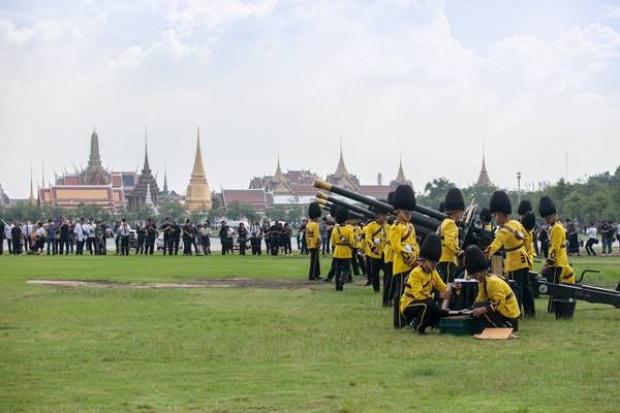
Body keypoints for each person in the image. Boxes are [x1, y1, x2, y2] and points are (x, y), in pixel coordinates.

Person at [484, 190, 535, 318]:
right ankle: (530, 311)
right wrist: (527, 251)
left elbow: (495, 245)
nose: (495, 218)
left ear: (501, 214)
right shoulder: (517, 224)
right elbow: (527, 237)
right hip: (524, 257)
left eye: (496, 215)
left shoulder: (504, 230)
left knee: (515, 287)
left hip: (514, 261)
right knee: (525, 286)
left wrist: (485, 254)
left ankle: (516, 312)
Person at [400, 234, 452, 335]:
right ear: (423, 261)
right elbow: (418, 295)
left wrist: (453, 289)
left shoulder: (433, 272)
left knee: (440, 312)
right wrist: (437, 296)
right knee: (428, 304)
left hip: (424, 302)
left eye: (436, 264)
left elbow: (442, 287)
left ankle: (420, 323)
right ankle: (418, 327)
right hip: (409, 304)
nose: (434, 266)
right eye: (433, 263)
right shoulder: (416, 273)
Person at [465, 245, 521, 330]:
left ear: (480, 273)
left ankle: (502, 326)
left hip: (509, 314)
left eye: (474, 275)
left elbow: (499, 302)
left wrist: (482, 309)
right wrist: (473, 308)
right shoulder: (483, 281)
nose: (474, 278)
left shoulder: (493, 282)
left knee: (483, 312)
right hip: (503, 310)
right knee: (478, 307)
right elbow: (481, 297)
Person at [389, 185, 419, 328]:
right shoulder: (395, 227)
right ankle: (399, 322)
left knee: (410, 294)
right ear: (398, 211)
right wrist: (410, 259)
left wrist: (417, 257)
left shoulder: (411, 227)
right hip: (402, 265)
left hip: (413, 264)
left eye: (409, 213)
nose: (408, 216)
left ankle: (407, 319)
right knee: (400, 294)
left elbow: (414, 244)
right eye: (405, 213)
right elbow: (396, 246)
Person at [539, 196, 575, 313]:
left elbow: (555, 248)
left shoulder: (557, 229)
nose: (547, 220)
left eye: (548, 218)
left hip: (557, 261)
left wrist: (548, 263)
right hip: (558, 260)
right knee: (554, 285)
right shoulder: (555, 227)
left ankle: (553, 308)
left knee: (554, 287)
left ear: (554, 215)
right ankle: (553, 308)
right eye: (546, 218)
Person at [437, 187, 465, 283]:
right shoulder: (451, 224)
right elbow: (450, 242)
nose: (461, 215)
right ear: (456, 211)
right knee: (448, 285)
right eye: (461, 212)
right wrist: (459, 253)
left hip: (443, 258)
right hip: (448, 259)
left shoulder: (445, 221)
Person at [330, 206, 356, 291]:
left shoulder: (335, 229)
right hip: (346, 251)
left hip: (337, 251)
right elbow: (352, 242)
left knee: (338, 270)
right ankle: (342, 279)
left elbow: (333, 242)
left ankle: (338, 287)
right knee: (347, 269)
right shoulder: (349, 229)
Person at [364, 206, 387, 292]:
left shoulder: (388, 226)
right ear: (378, 216)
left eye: (385, 216)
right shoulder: (371, 226)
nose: (384, 218)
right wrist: (373, 248)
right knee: (375, 273)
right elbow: (368, 239)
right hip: (375, 253)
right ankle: (376, 289)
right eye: (382, 216)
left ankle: (386, 288)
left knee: (387, 273)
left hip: (385, 252)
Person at [306, 202, 322, 280]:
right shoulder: (315, 225)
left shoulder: (308, 224)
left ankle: (316, 274)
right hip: (315, 245)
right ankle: (312, 276)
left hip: (310, 244)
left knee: (315, 260)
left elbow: (307, 236)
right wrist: (318, 243)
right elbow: (316, 236)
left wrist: (308, 243)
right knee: (314, 261)